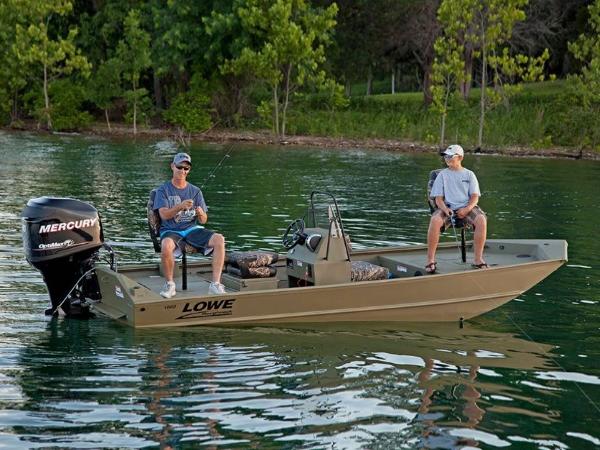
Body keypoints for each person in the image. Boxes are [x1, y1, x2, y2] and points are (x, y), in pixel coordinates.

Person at [153, 152, 226, 298]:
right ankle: (170, 284)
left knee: (219, 239)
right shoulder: (163, 190)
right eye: (179, 167)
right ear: (172, 166)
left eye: (186, 168)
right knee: (166, 244)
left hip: (191, 229)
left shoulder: (195, 191)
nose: (182, 171)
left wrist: (200, 213)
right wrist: (180, 206)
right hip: (171, 230)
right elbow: (164, 215)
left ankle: (215, 284)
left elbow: (204, 220)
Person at [426, 144, 487, 274]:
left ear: (460, 157)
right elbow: (438, 199)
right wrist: (445, 209)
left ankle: (478, 260)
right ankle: (430, 261)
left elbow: (475, 197)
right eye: (445, 156)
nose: (447, 159)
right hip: (447, 207)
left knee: (481, 219)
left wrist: (466, 209)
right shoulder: (442, 175)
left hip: (467, 207)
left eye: (450, 156)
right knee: (435, 220)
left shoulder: (470, 175)